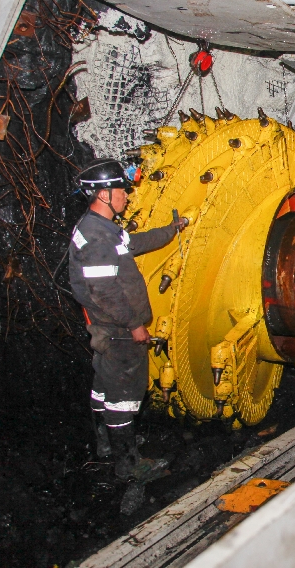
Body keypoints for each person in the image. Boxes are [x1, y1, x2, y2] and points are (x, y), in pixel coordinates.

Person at [69, 158, 186, 480]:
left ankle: (107, 443)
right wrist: (134, 325)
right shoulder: (97, 238)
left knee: (104, 386)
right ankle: (129, 463)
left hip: (107, 327)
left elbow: (135, 243)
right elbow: (104, 291)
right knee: (123, 395)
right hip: (117, 330)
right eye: (121, 191)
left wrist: (171, 230)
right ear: (104, 194)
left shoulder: (101, 228)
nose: (126, 196)